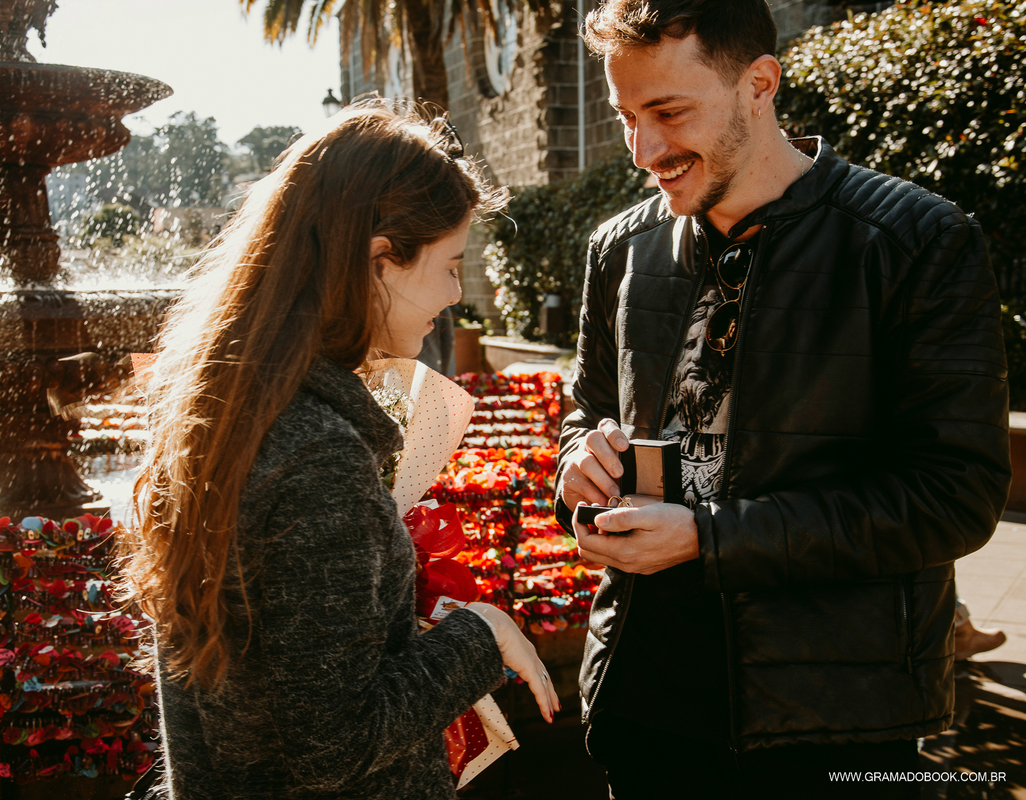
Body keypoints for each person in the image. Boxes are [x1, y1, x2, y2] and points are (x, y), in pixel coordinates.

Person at [555, 1, 1011, 797]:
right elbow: (581, 415)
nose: (644, 149)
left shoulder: (919, 241)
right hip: (643, 703)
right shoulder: (616, 249)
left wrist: (708, 538)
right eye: (628, 116)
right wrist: (574, 471)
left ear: (759, 83)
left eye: (668, 112)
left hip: (840, 722)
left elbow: (957, 497)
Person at [117, 104, 560, 800]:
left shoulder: (231, 408)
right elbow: (335, 743)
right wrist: (481, 634)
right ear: (381, 259)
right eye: (451, 265)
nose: (454, 294)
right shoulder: (318, 455)